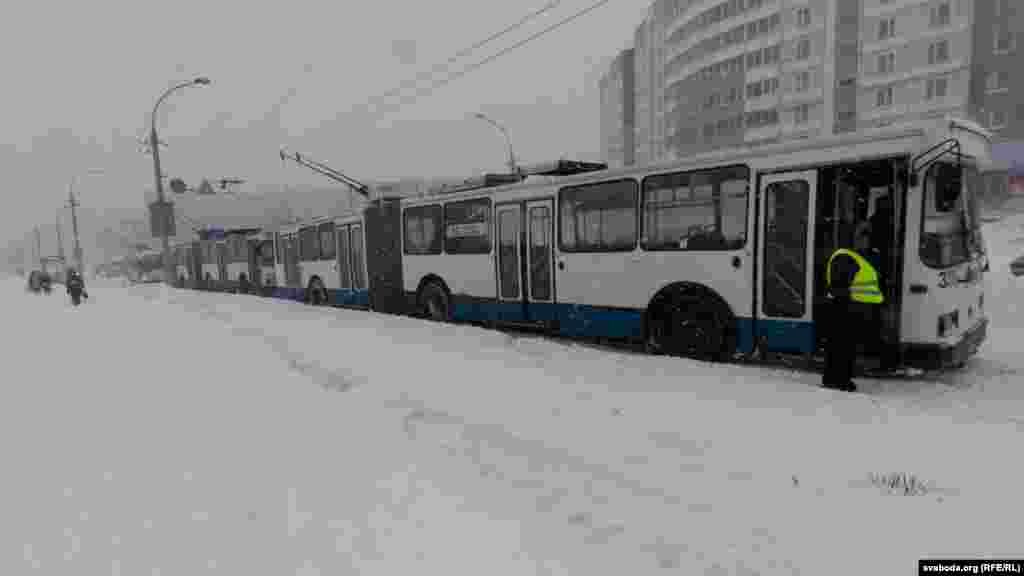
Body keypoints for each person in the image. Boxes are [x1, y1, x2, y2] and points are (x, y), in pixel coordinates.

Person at [821, 230, 885, 392]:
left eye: (867, 238)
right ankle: (839, 379)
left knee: (842, 345)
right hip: (845, 309)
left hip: (850, 308)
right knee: (842, 346)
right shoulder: (845, 257)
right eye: (861, 238)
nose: (865, 242)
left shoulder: (856, 258)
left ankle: (836, 378)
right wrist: (847, 306)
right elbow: (839, 286)